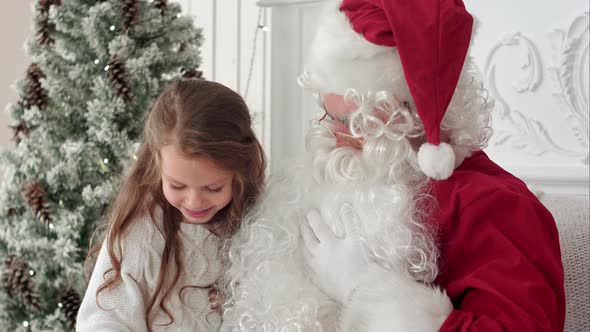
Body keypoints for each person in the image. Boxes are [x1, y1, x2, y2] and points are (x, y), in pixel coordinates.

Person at [220, 0, 565, 331]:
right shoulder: (350, 174)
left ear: (410, 115)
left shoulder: (495, 206)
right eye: (325, 112)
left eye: (348, 121)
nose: (330, 132)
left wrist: (365, 290)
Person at [77, 78, 266, 331]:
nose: (194, 201)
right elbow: (104, 321)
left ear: (239, 172)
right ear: (157, 165)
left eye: (214, 188)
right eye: (178, 186)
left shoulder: (261, 227)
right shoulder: (139, 234)